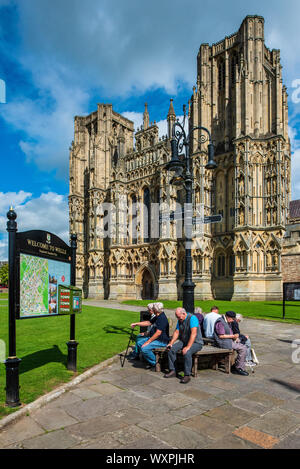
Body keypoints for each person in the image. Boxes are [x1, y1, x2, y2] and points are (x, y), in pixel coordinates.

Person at [164, 307, 203, 384]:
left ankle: (187, 375)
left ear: (184, 313)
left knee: (187, 352)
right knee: (171, 350)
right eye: (177, 317)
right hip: (184, 341)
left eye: (179, 317)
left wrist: (188, 347)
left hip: (196, 342)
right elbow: (176, 332)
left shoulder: (192, 318)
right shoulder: (180, 320)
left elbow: (194, 333)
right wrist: (171, 343)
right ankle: (173, 370)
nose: (178, 319)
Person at [129, 302, 169, 369]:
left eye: (153, 308)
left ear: (156, 310)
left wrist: (148, 342)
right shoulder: (157, 316)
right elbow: (149, 322)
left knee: (144, 349)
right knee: (139, 343)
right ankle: (151, 361)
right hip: (155, 338)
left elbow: (158, 333)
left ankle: (156, 363)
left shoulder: (162, 318)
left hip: (161, 341)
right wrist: (136, 324)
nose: (152, 309)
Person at [214, 310, 249, 376]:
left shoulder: (226, 321)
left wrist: (235, 338)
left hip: (227, 341)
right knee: (243, 348)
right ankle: (239, 368)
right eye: (232, 319)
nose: (233, 321)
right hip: (222, 342)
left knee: (243, 344)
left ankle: (237, 365)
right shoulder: (220, 322)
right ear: (228, 317)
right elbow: (221, 336)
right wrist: (233, 336)